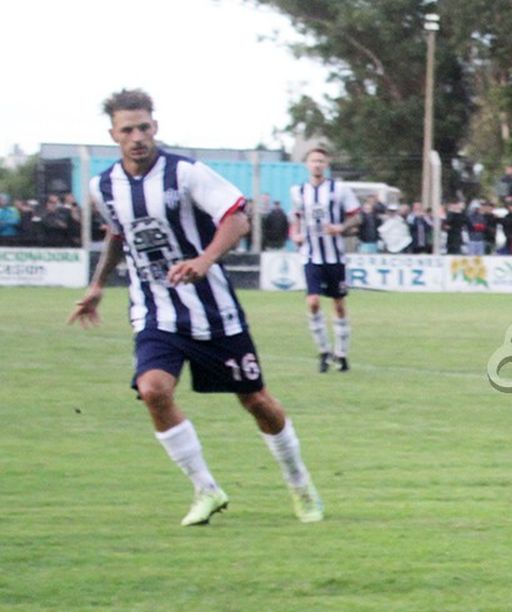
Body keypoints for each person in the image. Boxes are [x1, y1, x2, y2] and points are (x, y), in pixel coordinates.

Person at [69, 89, 323, 526]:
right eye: (127, 130)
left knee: (257, 401)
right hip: (154, 310)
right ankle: (205, 488)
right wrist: (97, 286)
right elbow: (117, 235)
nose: (137, 137)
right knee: (152, 390)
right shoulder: (103, 185)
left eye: (144, 127)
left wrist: (205, 260)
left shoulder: (186, 173)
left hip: (214, 311)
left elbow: (237, 217)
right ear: (113, 134)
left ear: (156, 127)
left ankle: (299, 484)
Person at [288, 146, 360, 373]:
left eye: (321, 161)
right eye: (313, 161)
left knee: (338, 305)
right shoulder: (298, 191)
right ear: (307, 165)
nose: (317, 164)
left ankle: (342, 353)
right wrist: (295, 235)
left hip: (335, 257)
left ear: (326, 164)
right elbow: (296, 220)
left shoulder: (339, 190)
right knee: (313, 302)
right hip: (310, 255)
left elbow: (356, 216)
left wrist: (341, 227)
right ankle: (323, 351)